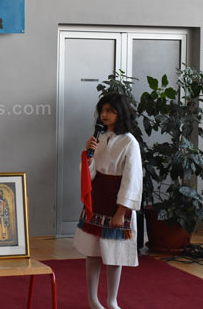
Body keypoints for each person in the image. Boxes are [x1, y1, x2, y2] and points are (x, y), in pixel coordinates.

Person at [73, 93, 142, 309]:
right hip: (97, 200)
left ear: (120, 113)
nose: (104, 114)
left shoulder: (129, 142)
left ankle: (112, 300)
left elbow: (132, 179)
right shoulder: (100, 138)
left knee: (114, 254)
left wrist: (121, 211)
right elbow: (89, 174)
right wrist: (88, 155)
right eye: (102, 110)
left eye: (110, 110)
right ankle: (93, 299)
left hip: (116, 202)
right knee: (92, 251)